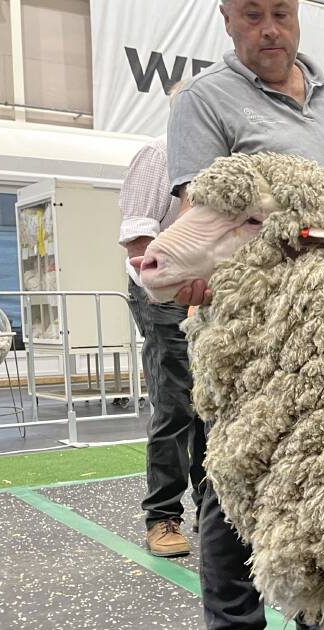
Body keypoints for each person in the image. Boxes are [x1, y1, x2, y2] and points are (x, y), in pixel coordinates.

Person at [164, 1, 324, 628]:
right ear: (227, 20)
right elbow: (202, 216)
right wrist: (184, 268)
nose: (269, 28)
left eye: (280, 11)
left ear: (298, 14)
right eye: (251, 15)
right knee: (239, 479)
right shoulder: (206, 101)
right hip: (256, 338)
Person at [119, 82, 206, 559]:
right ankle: (163, 516)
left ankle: (213, 513)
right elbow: (137, 238)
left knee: (209, 406)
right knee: (176, 403)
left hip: (204, 292)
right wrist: (166, 295)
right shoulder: (159, 154)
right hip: (164, 293)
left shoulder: (215, 163)